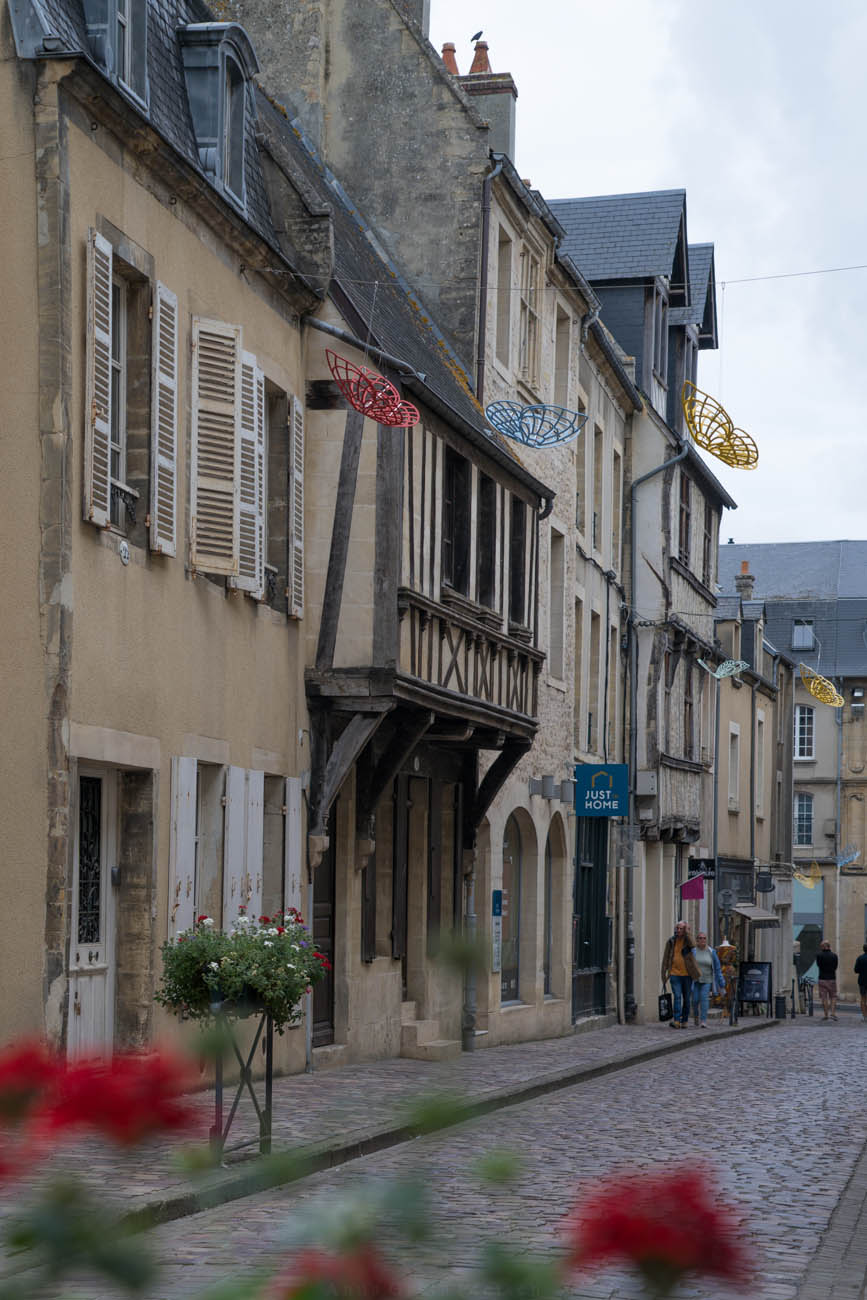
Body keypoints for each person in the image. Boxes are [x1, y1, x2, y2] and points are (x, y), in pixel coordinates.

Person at [661, 921, 700, 1028]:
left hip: (687, 974)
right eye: (677, 928)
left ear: (685, 930)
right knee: (677, 996)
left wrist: (687, 933)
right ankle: (677, 1020)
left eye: (681, 928)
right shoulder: (671, 941)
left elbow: (693, 945)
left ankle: (685, 1020)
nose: (678, 930)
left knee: (686, 998)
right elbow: (665, 958)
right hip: (674, 973)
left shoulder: (688, 941)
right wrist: (663, 973)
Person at [690, 932, 725, 1027]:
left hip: (707, 980)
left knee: (704, 999)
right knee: (695, 1000)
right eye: (700, 938)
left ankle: (703, 1021)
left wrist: (721, 982)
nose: (702, 940)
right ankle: (696, 1016)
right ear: (697, 940)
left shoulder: (711, 952)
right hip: (695, 980)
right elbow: (689, 966)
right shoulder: (693, 951)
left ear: (706, 940)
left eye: (704, 938)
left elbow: (717, 968)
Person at [816, 940, 839, 1020]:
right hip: (832, 978)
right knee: (833, 996)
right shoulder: (834, 956)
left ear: (825, 946)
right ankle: (832, 1013)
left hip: (822, 978)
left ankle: (826, 1015)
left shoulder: (819, 955)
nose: (821, 948)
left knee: (824, 998)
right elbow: (836, 967)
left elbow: (818, 965)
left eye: (821, 946)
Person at [854, 944, 867, 1022]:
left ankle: (865, 1016)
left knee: (863, 998)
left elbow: (856, 970)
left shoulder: (860, 958)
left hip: (862, 981)